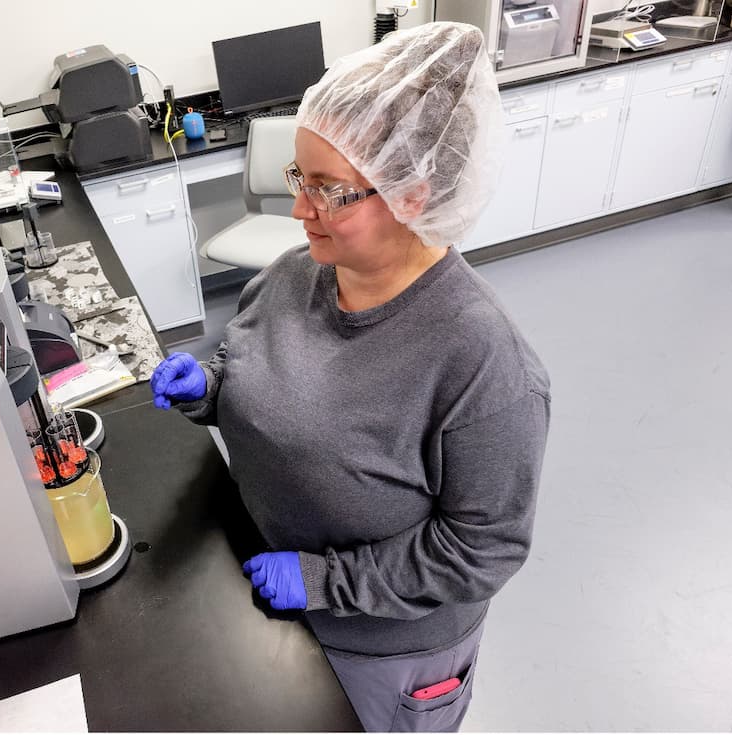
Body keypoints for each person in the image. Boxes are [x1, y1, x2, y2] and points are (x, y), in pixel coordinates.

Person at [149, 21, 551, 733]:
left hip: (386, 648)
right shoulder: (294, 272)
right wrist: (209, 390)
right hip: (275, 599)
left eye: (330, 191)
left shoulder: (484, 366)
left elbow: (481, 549)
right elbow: (262, 376)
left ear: (414, 192)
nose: (299, 209)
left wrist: (327, 582)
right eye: (298, 178)